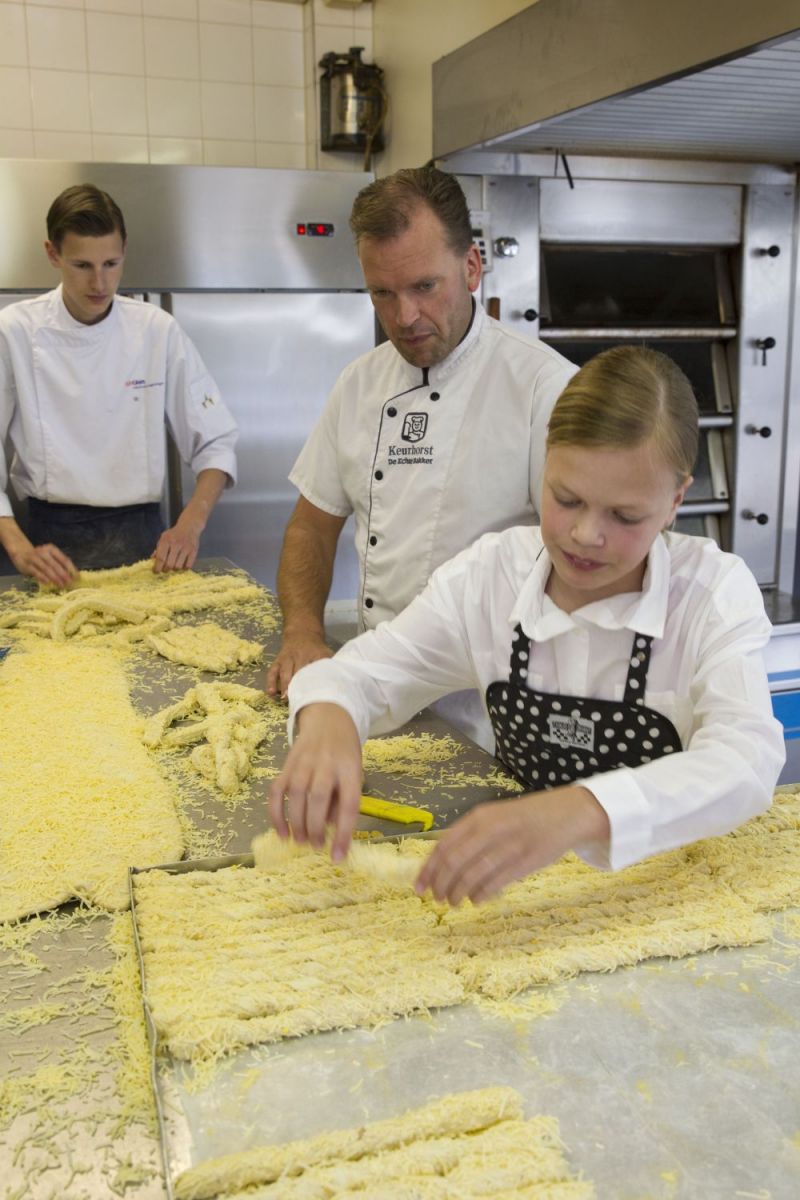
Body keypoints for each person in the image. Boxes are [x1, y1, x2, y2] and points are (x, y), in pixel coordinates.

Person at [268, 346, 785, 905]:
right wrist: (329, 720)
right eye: (566, 499)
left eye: (625, 516)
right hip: (526, 897)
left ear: (675, 501)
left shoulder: (710, 595)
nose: (586, 534)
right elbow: (364, 673)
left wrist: (579, 812)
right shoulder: (491, 578)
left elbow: (745, 760)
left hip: (668, 897)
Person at [266, 165, 575, 751]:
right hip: (378, 700)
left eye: (424, 287)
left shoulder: (545, 389)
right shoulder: (359, 384)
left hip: (500, 716)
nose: (403, 317)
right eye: (382, 293)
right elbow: (312, 524)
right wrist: (303, 631)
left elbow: (586, 564)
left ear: (472, 266)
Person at [0, 184, 238, 587]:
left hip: (145, 542)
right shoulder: (15, 331)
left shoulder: (155, 330)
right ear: (52, 254)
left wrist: (190, 526)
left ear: (125, 248)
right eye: (82, 265)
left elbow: (215, 442)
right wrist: (19, 548)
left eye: (111, 263)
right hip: (49, 545)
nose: (100, 282)